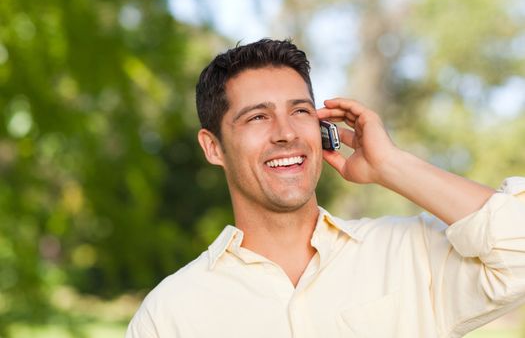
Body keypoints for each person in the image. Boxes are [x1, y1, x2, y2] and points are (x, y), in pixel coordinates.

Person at [126, 39, 525, 337]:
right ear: (213, 147)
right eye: (257, 117)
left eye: (299, 111)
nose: (285, 133)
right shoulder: (171, 312)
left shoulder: (409, 252)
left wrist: (392, 165)